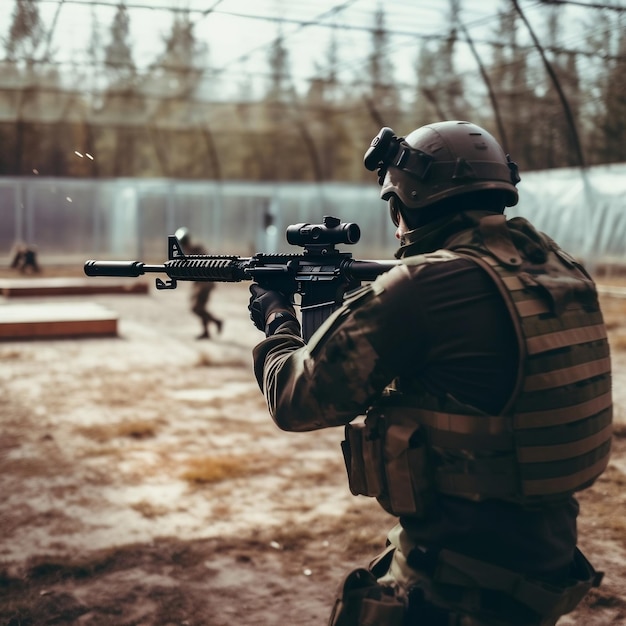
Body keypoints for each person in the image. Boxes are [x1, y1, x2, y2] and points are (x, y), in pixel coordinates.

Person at [247, 120, 612, 626]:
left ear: (404, 203)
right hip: (545, 558)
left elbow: (297, 400)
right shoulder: (557, 267)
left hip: (456, 579)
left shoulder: (423, 286)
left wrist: (277, 320)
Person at [175, 227, 223, 339]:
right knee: (200, 307)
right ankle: (207, 331)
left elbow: (207, 265)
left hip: (205, 284)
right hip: (200, 283)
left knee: (196, 307)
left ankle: (216, 322)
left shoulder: (197, 250)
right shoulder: (189, 251)